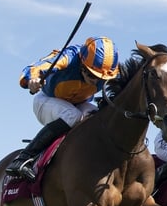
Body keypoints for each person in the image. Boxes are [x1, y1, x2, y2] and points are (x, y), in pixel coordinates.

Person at [6, 36, 121, 181]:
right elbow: (34, 68)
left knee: (101, 119)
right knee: (72, 115)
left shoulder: (109, 69)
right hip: (47, 101)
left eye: (102, 79)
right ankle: (23, 158)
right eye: (92, 75)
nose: (95, 81)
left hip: (78, 105)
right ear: (82, 64)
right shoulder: (69, 56)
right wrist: (32, 79)